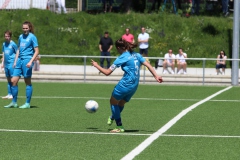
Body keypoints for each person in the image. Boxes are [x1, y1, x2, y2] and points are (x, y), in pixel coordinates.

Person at [91, 38, 163, 133]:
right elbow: (148, 65)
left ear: (118, 48)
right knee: (121, 103)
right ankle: (113, 116)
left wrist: (96, 65)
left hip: (125, 84)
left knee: (113, 102)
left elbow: (107, 72)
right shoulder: (137, 55)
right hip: (134, 86)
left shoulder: (121, 58)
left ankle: (119, 126)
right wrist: (156, 76)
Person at [4, 21, 39, 109]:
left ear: (29, 28)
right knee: (13, 81)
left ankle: (27, 103)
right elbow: (18, 49)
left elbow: (37, 51)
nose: (25, 30)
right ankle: (14, 102)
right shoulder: (20, 36)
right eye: (23, 28)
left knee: (27, 82)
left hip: (27, 60)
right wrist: (15, 61)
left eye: (26, 28)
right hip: (19, 60)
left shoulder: (32, 37)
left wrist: (31, 61)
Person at [1, 30, 18, 99]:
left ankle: (13, 95)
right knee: (8, 79)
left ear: (10, 36)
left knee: (12, 79)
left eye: (8, 36)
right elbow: (4, 53)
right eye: (6, 36)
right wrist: (2, 63)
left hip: (11, 63)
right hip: (6, 64)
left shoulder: (13, 44)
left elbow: (17, 52)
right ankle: (9, 94)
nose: (7, 37)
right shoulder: (4, 44)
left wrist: (15, 62)